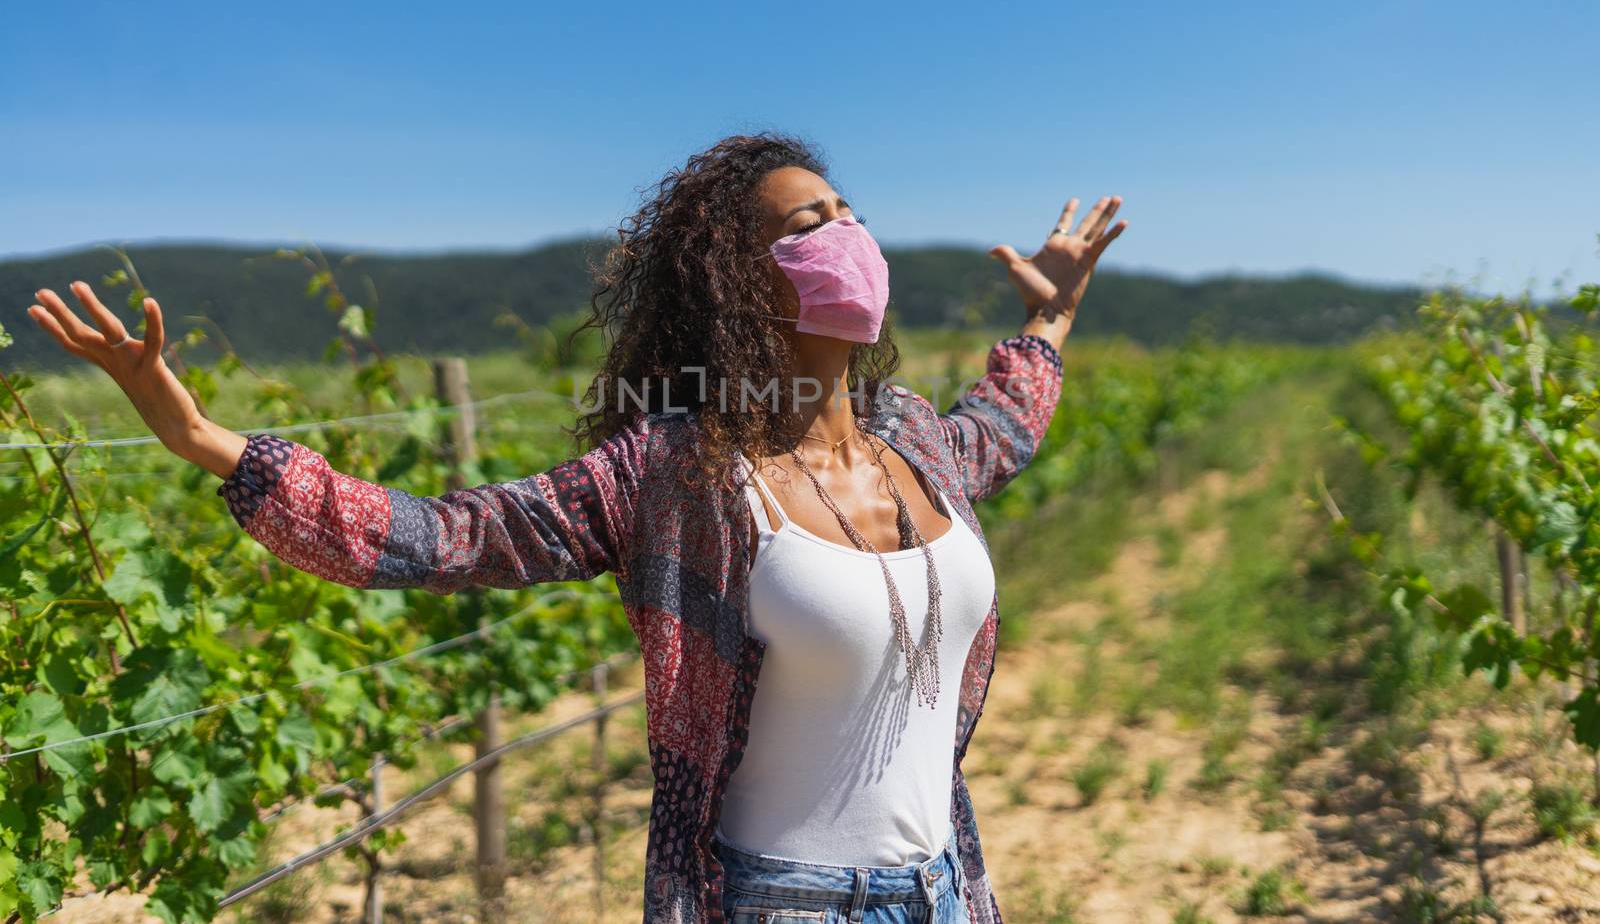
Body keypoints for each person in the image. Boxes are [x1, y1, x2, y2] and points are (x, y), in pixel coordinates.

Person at [27, 132, 1126, 924]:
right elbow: (442, 535)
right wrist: (211, 441)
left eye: (851, 216)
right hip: (773, 902)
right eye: (811, 222)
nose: (850, 236)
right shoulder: (675, 473)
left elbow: (1004, 426)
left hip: (949, 884)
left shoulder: (916, 435)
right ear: (743, 279)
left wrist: (1049, 318)